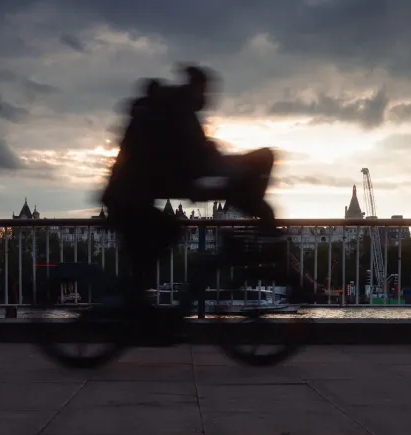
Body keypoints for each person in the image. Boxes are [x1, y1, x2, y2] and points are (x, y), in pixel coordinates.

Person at [101, 65, 280, 304]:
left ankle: (138, 306)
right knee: (165, 233)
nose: (207, 99)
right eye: (205, 92)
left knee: (164, 237)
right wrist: (237, 188)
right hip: (128, 199)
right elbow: (192, 163)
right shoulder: (176, 116)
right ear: (196, 89)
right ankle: (134, 309)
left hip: (127, 196)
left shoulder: (172, 112)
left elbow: (194, 162)